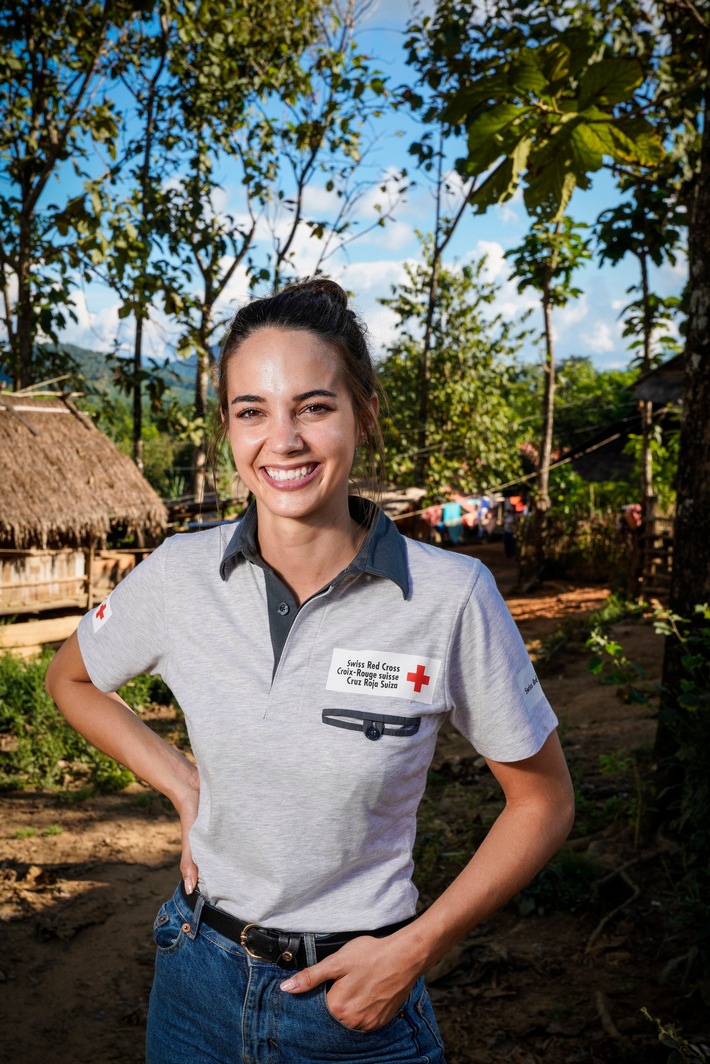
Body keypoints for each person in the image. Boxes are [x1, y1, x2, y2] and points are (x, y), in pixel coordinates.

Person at [46, 278, 574, 1064]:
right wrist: (186, 786)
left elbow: (543, 799)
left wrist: (416, 949)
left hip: (356, 1004)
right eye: (252, 410)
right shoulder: (180, 574)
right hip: (196, 980)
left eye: (314, 406)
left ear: (362, 413)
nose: (282, 440)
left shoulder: (451, 597)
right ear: (227, 426)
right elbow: (72, 679)